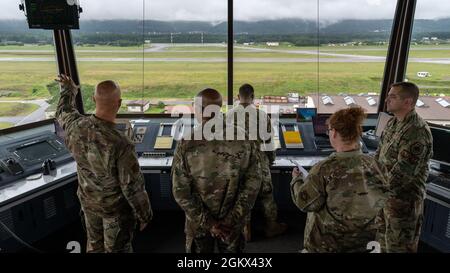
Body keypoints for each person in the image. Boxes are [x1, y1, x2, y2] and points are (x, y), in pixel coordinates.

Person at [55, 75, 152, 253]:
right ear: (120, 103)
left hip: (89, 204)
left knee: (94, 246)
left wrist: (69, 89)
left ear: (93, 99)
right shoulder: (121, 143)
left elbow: (62, 111)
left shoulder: (74, 127)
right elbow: (132, 186)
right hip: (115, 211)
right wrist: (144, 215)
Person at [172, 88, 262, 253]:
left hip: (199, 224)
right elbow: (253, 185)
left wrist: (209, 223)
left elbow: (181, 192)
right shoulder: (244, 138)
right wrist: (231, 219)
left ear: (197, 109)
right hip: (232, 225)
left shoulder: (187, 143)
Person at [291, 107, 390, 252]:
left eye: (329, 130)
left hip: (330, 244)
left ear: (335, 133)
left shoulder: (324, 168)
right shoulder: (376, 164)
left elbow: (304, 203)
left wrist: (297, 180)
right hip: (366, 242)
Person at [375, 82, 433, 253]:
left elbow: (403, 174)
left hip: (403, 203)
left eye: (393, 97)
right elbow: (379, 154)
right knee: (382, 244)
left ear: (407, 102)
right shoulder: (393, 123)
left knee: (399, 248)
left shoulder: (417, 131)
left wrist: (372, 188)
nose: (387, 100)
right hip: (385, 197)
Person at [226, 83, 287, 241]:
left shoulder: (228, 116)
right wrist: (270, 160)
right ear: (253, 97)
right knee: (266, 195)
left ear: (238, 97)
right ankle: (271, 226)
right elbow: (268, 142)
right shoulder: (262, 115)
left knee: (241, 195)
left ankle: (245, 229)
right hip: (259, 160)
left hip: (237, 162)